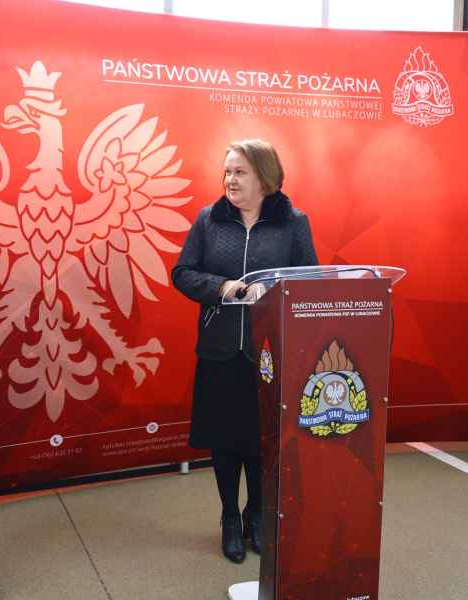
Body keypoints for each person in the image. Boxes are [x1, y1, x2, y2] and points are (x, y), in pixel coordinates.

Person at [172, 139, 318, 563]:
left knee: (260, 441)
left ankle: (256, 515)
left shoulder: (294, 222)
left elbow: (309, 280)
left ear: (264, 177)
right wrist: (223, 287)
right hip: (219, 349)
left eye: (240, 172)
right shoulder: (209, 219)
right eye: (227, 172)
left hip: (269, 353)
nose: (230, 180)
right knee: (224, 442)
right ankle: (229, 519)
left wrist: (272, 291)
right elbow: (182, 273)